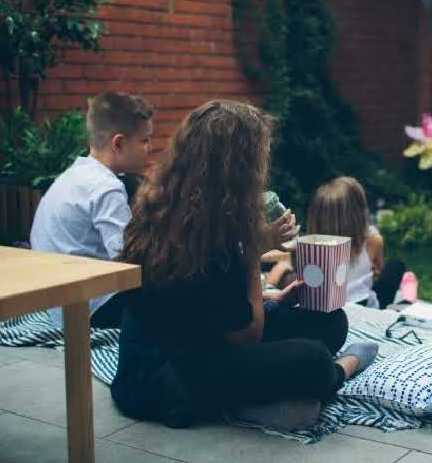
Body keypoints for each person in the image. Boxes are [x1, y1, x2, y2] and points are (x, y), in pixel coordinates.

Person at [111, 101, 377, 428]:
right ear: (237, 165)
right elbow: (249, 334)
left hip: (200, 339)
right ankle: (341, 370)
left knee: (331, 321)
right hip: (165, 376)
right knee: (314, 359)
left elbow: (205, 308)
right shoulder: (203, 228)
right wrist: (254, 248)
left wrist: (272, 298)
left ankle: (260, 397)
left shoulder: (176, 200)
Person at [30, 91, 154, 328]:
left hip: (53, 303)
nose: (150, 147)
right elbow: (128, 260)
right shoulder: (106, 187)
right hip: (87, 310)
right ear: (118, 143)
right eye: (145, 139)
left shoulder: (75, 173)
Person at [306, 176, 404, 309]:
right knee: (396, 266)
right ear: (358, 214)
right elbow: (377, 276)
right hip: (365, 306)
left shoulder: (311, 249)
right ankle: (408, 293)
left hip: (329, 308)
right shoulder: (373, 240)